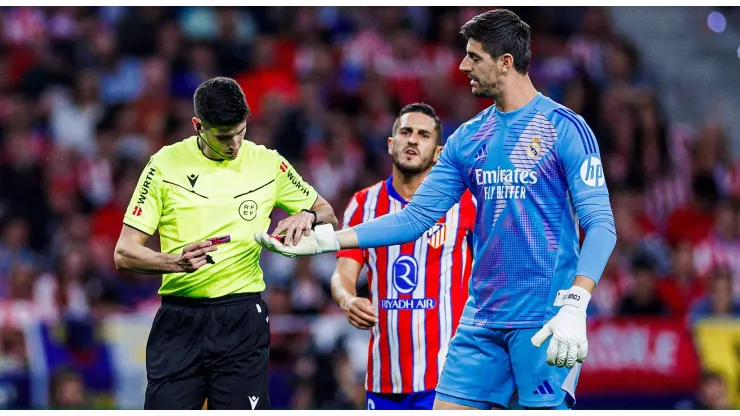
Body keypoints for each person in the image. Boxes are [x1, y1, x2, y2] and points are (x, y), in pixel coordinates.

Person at [255, 9, 616, 410]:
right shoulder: (469, 137)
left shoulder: (563, 127)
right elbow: (414, 217)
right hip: (481, 321)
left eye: (474, 57)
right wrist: (328, 241)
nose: (463, 66)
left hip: (544, 317)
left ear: (506, 62)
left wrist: (576, 303)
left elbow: (600, 224)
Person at [113, 77, 337, 410]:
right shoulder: (164, 165)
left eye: (241, 131)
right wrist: (174, 262)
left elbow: (327, 212)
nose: (234, 144)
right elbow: (124, 252)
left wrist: (308, 216)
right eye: (223, 136)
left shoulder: (268, 163)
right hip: (179, 318)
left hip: (242, 319)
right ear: (198, 126)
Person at [330, 103, 476, 410]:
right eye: (406, 132)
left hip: (448, 380)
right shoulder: (363, 203)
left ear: (438, 152)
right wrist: (347, 299)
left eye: (423, 135)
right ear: (390, 143)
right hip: (384, 379)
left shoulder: (465, 203)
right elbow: (344, 273)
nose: (412, 140)